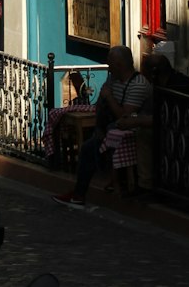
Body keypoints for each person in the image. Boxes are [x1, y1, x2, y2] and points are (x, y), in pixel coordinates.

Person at [54, 45, 151, 210]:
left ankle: (81, 194)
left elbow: (124, 116)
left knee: (90, 149)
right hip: (110, 130)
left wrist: (109, 97)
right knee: (90, 146)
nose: (108, 66)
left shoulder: (138, 85)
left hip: (131, 133)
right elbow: (101, 104)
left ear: (120, 65)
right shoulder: (112, 79)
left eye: (110, 63)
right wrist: (99, 126)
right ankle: (80, 192)